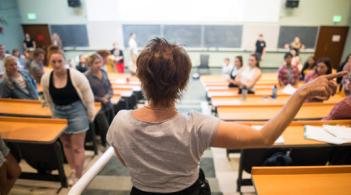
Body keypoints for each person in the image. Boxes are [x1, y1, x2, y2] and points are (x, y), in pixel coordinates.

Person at [106, 38, 345, 194]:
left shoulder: (120, 122)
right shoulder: (198, 125)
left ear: (140, 76)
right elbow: (264, 137)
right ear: (183, 80)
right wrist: (301, 93)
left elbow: (127, 161)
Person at [41, 50, 95, 185]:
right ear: (50, 63)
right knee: (66, 144)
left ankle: (79, 175)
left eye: (60, 61)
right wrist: (52, 113)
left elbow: (88, 96)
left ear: (64, 61)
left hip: (76, 111)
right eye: (53, 61)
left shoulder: (77, 76)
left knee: (77, 147)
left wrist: (90, 114)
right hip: (58, 112)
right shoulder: (46, 78)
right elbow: (48, 98)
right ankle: (73, 169)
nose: (57, 64)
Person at [86, 53, 114, 146]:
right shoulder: (86, 76)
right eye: (96, 63)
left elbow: (109, 86)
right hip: (97, 106)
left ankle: (107, 143)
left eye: (100, 62)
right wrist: (101, 99)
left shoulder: (104, 72)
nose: (99, 65)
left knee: (111, 126)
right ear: (90, 64)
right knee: (104, 128)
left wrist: (109, 95)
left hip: (108, 103)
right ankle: (106, 146)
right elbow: (88, 94)